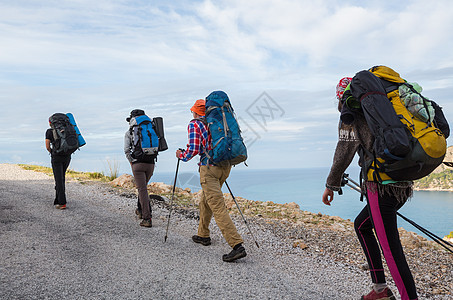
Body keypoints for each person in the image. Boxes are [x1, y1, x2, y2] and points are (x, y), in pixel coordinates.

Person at [322, 77, 418, 300]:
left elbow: (344, 151)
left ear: (341, 97)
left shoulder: (351, 110)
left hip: (380, 186)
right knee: (362, 226)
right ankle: (380, 289)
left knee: (392, 253)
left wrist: (330, 185)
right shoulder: (386, 105)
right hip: (403, 182)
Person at [175, 99, 247, 262]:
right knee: (205, 201)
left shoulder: (195, 125)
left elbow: (193, 149)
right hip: (225, 167)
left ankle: (237, 246)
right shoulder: (217, 123)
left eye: (193, 110)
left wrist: (181, 155)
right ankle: (203, 235)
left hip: (209, 169)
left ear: (196, 112)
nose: (192, 113)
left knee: (217, 206)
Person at [124, 109, 155, 228]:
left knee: (142, 190)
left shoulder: (129, 132)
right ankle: (140, 209)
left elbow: (127, 150)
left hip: (138, 164)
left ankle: (147, 218)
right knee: (143, 188)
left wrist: (132, 162)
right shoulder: (152, 128)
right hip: (151, 163)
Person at [45, 116, 72, 210]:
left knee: (59, 179)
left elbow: (47, 146)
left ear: (50, 123)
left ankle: (62, 203)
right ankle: (58, 199)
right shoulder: (68, 130)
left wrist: (52, 152)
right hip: (67, 156)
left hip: (56, 157)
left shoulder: (49, 131)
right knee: (61, 177)